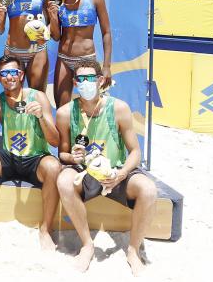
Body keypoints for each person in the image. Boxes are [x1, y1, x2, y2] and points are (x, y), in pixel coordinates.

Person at [55, 58, 157, 276]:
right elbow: (62, 153)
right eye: (80, 79)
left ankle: (133, 249)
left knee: (148, 190)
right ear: (74, 83)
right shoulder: (65, 112)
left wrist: (120, 175)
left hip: (115, 173)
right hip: (85, 174)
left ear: (100, 80)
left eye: (90, 78)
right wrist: (72, 158)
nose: (85, 83)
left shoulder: (119, 108)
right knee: (63, 181)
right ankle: (86, 244)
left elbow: (135, 152)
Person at [0, 55, 60, 250]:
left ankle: (46, 229)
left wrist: (41, 117)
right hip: (9, 157)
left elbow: (55, 140)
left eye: (13, 72)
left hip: (35, 157)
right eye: (4, 73)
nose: (9, 77)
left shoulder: (38, 97)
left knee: (53, 167)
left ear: (21, 75)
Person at [46, 0, 112, 108]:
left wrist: (107, 66)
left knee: (90, 106)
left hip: (87, 60)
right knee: (62, 107)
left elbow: (106, 32)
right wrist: (53, 18)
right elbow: (55, 36)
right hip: (64, 59)